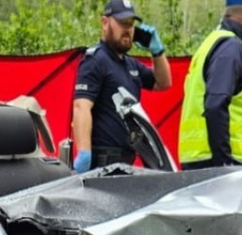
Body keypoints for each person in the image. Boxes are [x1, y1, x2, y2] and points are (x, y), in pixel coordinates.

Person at [72, 0, 172, 172]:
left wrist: (157, 52)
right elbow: (81, 107)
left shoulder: (131, 65)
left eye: (131, 24)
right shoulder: (95, 60)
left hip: (127, 160)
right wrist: (84, 154)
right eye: (122, 23)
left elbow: (163, 83)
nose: (128, 29)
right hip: (102, 161)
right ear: (105, 23)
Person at [177, 0, 242, 169]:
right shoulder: (231, 48)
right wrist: (224, 165)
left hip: (202, 160)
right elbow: (215, 105)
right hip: (224, 167)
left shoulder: (213, 43)